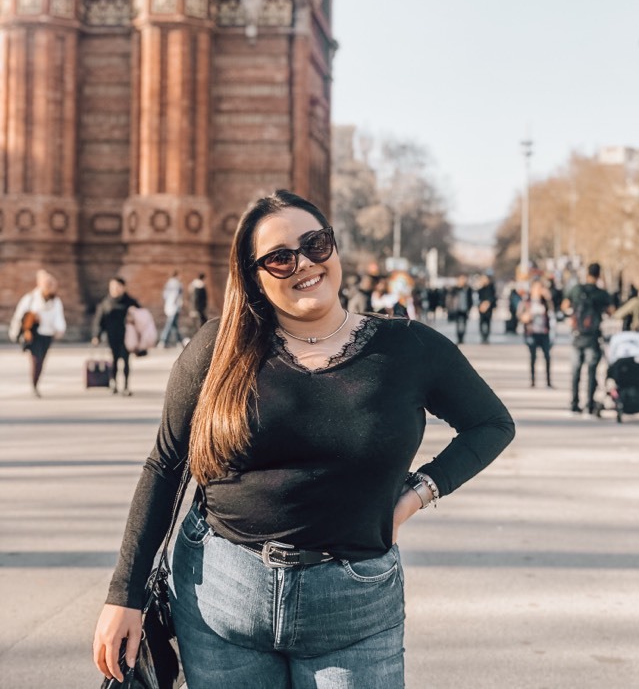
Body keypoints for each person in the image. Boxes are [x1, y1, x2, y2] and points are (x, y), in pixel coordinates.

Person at [93, 189, 515, 689]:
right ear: (253, 276)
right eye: (279, 258)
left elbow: (492, 424)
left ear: (333, 248)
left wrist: (417, 494)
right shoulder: (218, 346)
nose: (304, 265)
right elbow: (165, 464)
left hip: (354, 603)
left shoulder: (408, 347)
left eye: (315, 244)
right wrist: (125, 595)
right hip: (221, 594)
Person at [561, 262, 614, 414]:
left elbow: (564, 306)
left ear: (587, 273)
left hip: (577, 335)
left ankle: (574, 403)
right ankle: (590, 404)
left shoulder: (576, 289)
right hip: (593, 336)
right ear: (599, 275)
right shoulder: (602, 293)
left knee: (576, 371)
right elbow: (611, 312)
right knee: (591, 371)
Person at [9, 270, 67, 397]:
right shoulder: (30, 298)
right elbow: (20, 316)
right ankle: (34, 385)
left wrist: (60, 329)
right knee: (36, 359)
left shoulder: (55, 302)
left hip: (47, 334)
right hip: (33, 334)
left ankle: (36, 381)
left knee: (42, 360)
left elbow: (59, 318)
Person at [92, 277, 140, 396]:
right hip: (112, 336)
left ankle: (126, 386)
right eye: (112, 287)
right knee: (114, 359)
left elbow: (140, 317)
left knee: (126, 360)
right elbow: (99, 320)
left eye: (117, 287)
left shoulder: (130, 302)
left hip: (127, 336)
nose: (115, 289)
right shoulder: (106, 302)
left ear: (123, 287)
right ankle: (114, 383)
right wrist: (96, 335)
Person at [517, 279, 554, 388]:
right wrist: (527, 316)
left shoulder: (544, 302)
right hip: (531, 333)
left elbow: (552, 311)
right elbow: (520, 315)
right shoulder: (527, 301)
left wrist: (548, 298)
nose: (539, 290)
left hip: (544, 333)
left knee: (547, 356)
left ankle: (548, 381)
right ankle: (533, 381)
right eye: (537, 288)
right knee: (533, 357)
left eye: (541, 288)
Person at [159, 270, 184, 348]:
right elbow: (178, 296)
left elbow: (164, 295)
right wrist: (179, 305)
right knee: (169, 324)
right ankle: (163, 341)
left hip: (169, 306)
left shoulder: (168, 284)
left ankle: (179, 341)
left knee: (174, 325)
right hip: (175, 307)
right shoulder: (178, 284)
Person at [446, 274, 474, 344]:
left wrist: (470, 307)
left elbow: (470, 299)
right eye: (461, 279)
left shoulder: (468, 289)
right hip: (457, 309)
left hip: (465, 309)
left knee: (464, 324)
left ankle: (462, 336)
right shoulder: (455, 289)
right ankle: (459, 337)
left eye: (464, 279)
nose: (463, 281)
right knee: (458, 324)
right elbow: (450, 298)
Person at [477, 273, 497, 344]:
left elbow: (493, 297)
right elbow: (477, 298)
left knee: (488, 323)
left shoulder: (491, 287)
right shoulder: (480, 288)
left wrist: (488, 303)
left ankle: (486, 337)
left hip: (488, 308)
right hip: (481, 308)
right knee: (481, 322)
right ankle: (483, 336)